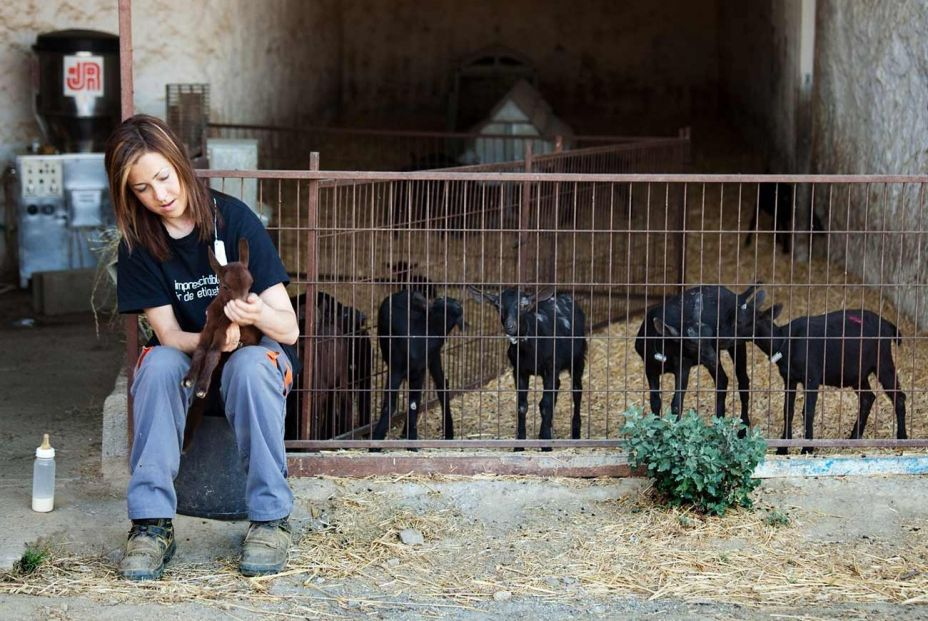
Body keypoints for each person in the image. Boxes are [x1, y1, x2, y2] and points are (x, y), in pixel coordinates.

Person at [105, 114, 299, 580]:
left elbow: (289, 328)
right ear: (129, 194)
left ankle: (271, 519)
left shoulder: (233, 219)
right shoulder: (139, 245)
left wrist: (250, 318)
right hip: (194, 363)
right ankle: (151, 524)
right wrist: (213, 341)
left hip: (252, 369)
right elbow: (169, 335)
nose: (160, 195)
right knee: (155, 365)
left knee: (252, 365)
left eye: (163, 177)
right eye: (142, 189)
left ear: (179, 163)